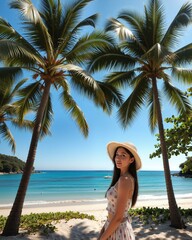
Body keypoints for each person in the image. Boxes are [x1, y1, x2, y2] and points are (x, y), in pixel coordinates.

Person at [98, 141, 142, 240]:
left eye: (123, 155)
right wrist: (102, 231)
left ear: (131, 160)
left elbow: (118, 217)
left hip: (118, 232)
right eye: (117, 155)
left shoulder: (125, 180)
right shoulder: (123, 178)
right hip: (112, 228)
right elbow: (113, 214)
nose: (118, 158)